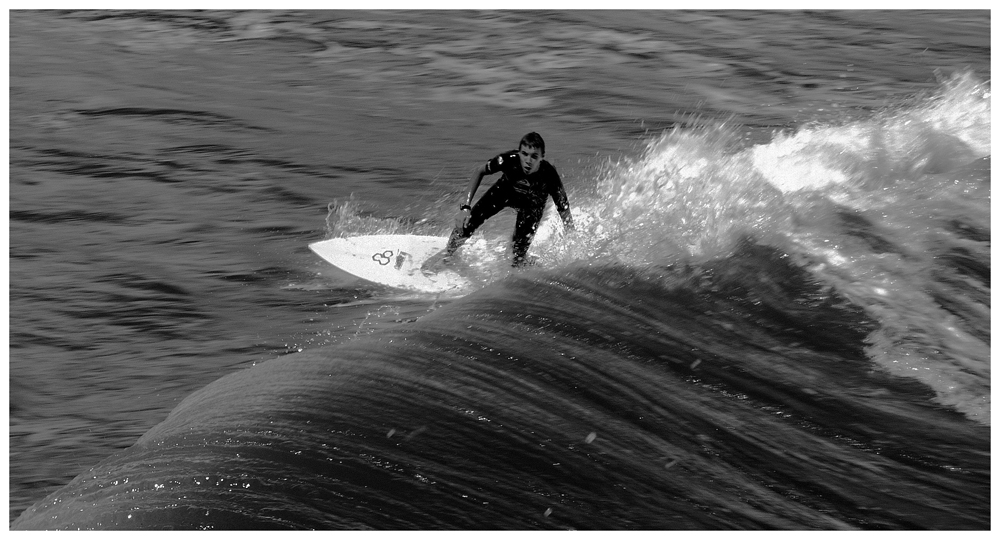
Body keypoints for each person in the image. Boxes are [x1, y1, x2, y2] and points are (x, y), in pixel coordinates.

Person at [424, 132, 574, 270]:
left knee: (517, 257)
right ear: (519, 152)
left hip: (532, 205)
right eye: (524, 154)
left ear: (542, 157)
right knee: (467, 223)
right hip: (504, 192)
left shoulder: (549, 174)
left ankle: (528, 263)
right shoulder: (508, 160)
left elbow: (563, 206)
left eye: (534, 156)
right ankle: (447, 254)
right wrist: (465, 207)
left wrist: (571, 234)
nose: (528, 161)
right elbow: (480, 170)